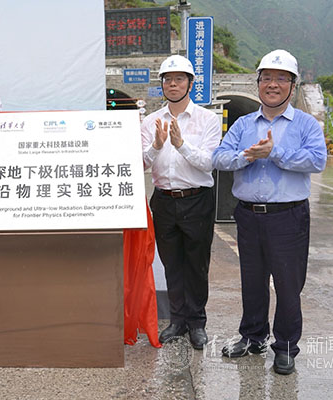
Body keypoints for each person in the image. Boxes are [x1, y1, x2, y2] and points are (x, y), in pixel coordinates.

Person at [212, 49, 327, 375]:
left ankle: (286, 346)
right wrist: (246, 156)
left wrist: (275, 152)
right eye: (266, 78)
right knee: (252, 280)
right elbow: (219, 157)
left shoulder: (305, 124)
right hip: (248, 214)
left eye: (281, 79)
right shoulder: (243, 124)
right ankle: (253, 336)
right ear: (258, 83)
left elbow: (317, 160)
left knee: (288, 284)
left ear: (293, 85)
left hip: (288, 217)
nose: (272, 84)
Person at [140, 55, 220, 350]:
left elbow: (209, 163)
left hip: (196, 199)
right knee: (171, 263)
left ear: (190, 83)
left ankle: (197, 322)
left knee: (196, 264)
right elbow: (140, 163)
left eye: (179, 79)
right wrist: (156, 146)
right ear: (162, 84)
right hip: (164, 200)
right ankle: (177, 320)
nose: (172, 84)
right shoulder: (150, 121)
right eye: (167, 80)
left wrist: (181, 145)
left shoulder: (207, 119)